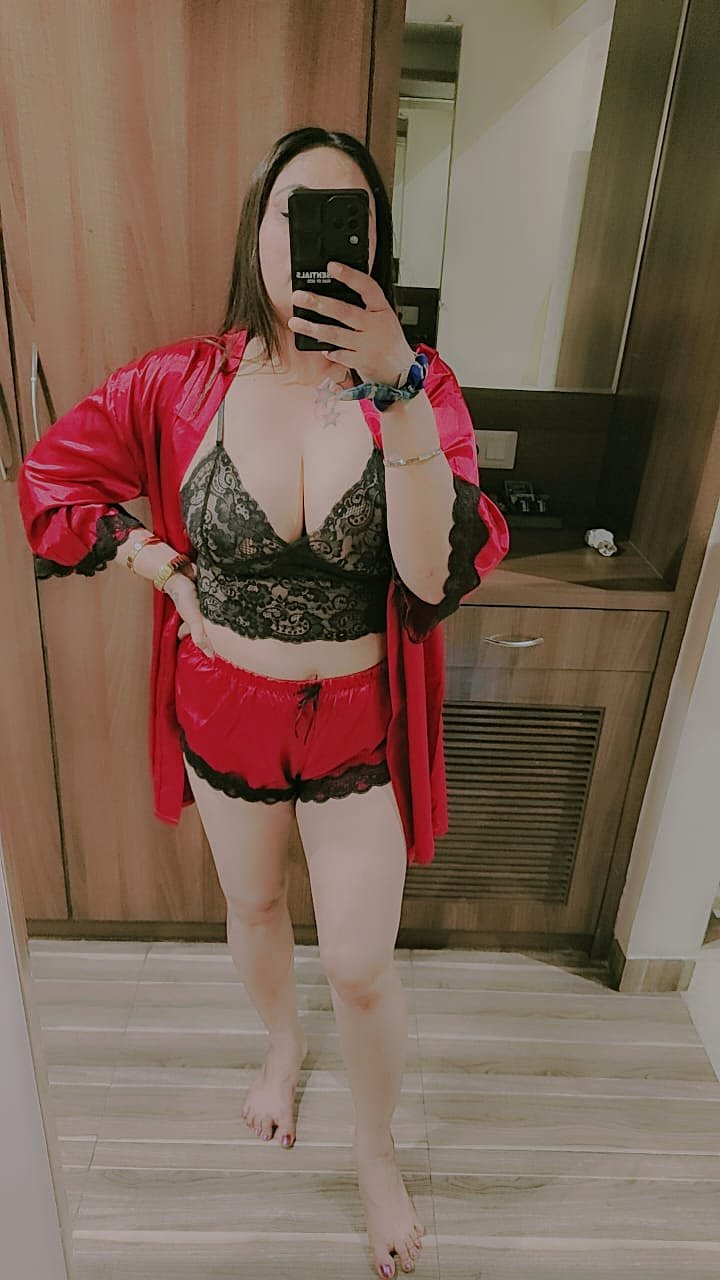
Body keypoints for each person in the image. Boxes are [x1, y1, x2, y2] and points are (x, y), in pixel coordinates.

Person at [17, 127, 509, 1278]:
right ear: (258, 231)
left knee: (362, 963)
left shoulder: (422, 388)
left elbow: (430, 572)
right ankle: (282, 1045)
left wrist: (397, 388)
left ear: (374, 244)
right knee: (252, 904)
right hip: (222, 705)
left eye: (348, 217)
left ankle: (375, 1151)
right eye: (295, 211)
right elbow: (51, 475)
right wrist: (150, 559)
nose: (315, 240)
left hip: (357, 724)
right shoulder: (180, 381)